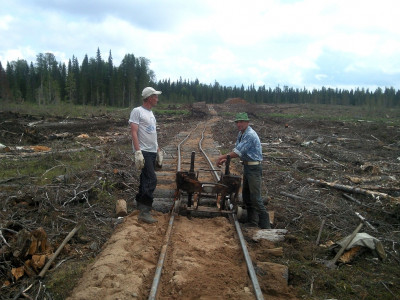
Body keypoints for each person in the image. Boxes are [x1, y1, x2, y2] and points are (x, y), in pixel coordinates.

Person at [216, 112, 271, 229]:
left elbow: (237, 153)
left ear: (247, 122)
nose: (239, 124)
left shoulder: (250, 135)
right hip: (247, 167)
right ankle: (253, 222)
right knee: (246, 196)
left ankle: (266, 226)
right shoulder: (241, 134)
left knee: (255, 197)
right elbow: (237, 150)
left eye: (241, 122)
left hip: (254, 168)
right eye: (237, 122)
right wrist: (226, 158)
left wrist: (222, 157)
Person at [129, 87, 163, 224]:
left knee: (145, 178)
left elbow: (152, 134)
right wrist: (138, 152)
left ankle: (139, 202)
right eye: (155, 96)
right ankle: (145, 211)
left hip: (152, 150)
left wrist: (158, 149)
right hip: (143, 150)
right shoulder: (137, 111)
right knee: (152, 179)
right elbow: (134, 132)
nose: (157, 99)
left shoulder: (151, 113)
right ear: (149, 98)